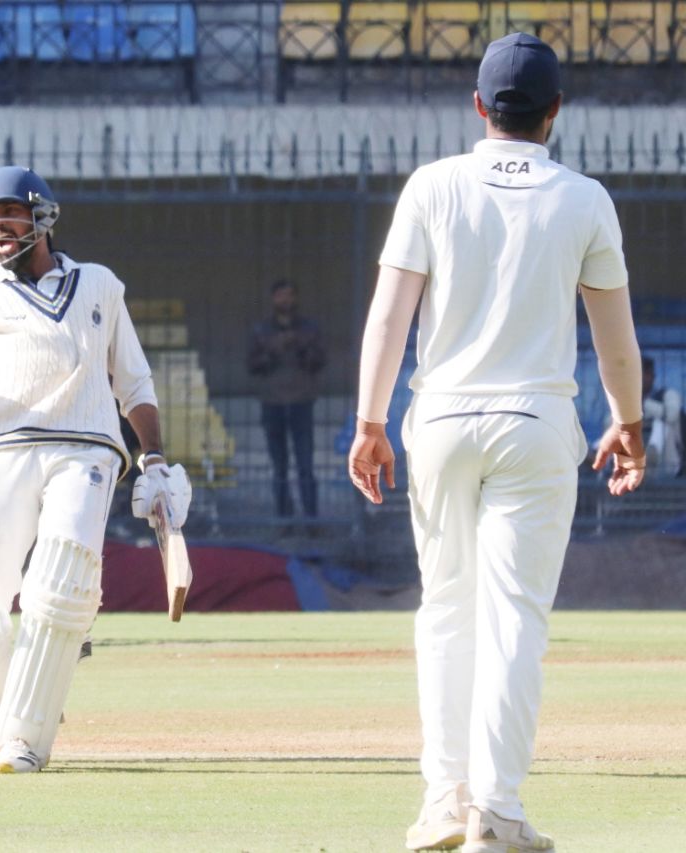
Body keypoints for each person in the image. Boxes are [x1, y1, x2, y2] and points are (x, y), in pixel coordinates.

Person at [347, 34, 646, 853]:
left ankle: (443, 801)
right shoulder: (584, 198)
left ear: (479, 108)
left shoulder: (431, 185)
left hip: (438, 419)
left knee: (445, 610)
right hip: (537, 422)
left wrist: (370, 423)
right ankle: (498, 813)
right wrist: (627, 418)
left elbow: (388, 317)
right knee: (515, 620)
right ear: (556, 112)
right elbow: (614, 337)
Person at [0, 165, 190, 773]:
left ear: (41, 216)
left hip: (85, 448)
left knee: (61, 585)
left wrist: (154, 459)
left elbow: (135, 380)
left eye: (6, 216)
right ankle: (19, 708)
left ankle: (25, 740)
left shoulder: (98, 285)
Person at [247, 280, 325, 517]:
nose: (285, 300)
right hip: (272, 402)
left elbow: (320, 361)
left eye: (290, 295)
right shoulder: (261, 330)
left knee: (305, 465)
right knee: (279, 467)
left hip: (302, 401)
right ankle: (284, 519)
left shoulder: (309, 328)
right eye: (281, 295)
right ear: (273, 299)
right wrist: (273, 350)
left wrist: (300, 345)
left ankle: (311, 519)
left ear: (296, 298)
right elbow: (252, 365)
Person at [640, 356, 682, 477]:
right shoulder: (628, 402)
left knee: (661, 422)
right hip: (632, 464)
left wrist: (644, 403)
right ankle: (598, 453)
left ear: (652, 376)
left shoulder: (667, 394)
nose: (641, 379)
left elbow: (672, 415)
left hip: (665, 465)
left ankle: (652, 452)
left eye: (645, 374)